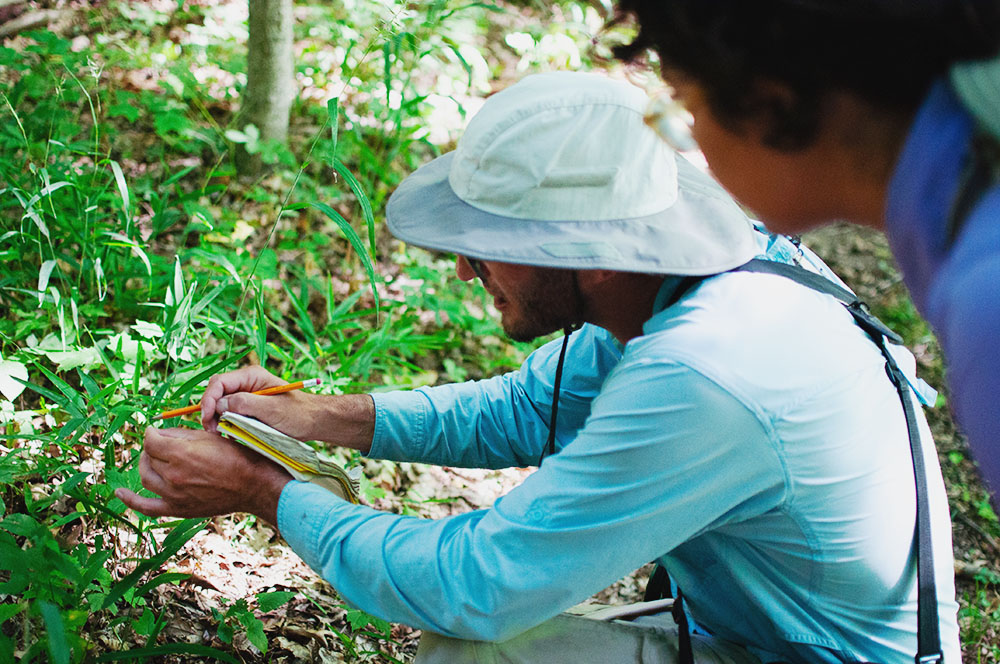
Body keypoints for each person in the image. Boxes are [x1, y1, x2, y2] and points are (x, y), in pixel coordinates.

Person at [117, 72, 961, 663]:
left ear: (590, 255)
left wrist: (267, 494)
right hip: (748, 637)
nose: (462, 268)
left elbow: (474, 585)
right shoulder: (669, 289)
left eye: (491, 247)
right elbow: (524, 412)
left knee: (471, 647)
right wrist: (317, 418)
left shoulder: (708, 373)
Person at [611, 0, 1000, 495]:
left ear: (770, 105)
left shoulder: (989, 300)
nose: (691, 145)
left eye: (684, 107)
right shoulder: (964, 191)